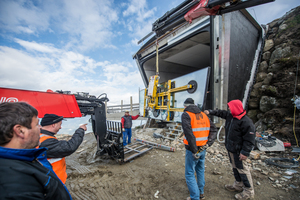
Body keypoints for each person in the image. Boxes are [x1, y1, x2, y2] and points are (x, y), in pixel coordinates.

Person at [0, 102, 72, 199]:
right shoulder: (17, 186)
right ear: (20, 131)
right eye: (37, 124)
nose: (40, 128)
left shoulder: (22, 161)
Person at [204, 99, 255, 200]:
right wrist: (210, 111)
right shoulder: (231, 116)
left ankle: (249, 192)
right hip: (231, 149)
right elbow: (221, 113)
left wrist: (245, 152)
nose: (229, 109)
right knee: (235, 168)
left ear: (236, 108)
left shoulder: (246, 122)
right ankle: (238, 185)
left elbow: (249, 140)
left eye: (230, 107)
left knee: (243, 170)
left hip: (239, 151)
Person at [182, 98, 217, 200]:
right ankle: (201, 193)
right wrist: (208, 144)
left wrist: (194, 151)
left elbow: (189, 134)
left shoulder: (186, 115)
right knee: (200, 170)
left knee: (189, 173)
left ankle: (195, 197)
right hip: (203, 148)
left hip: (193, 150)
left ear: (185, 106)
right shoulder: (204, 115)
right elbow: (214, 129)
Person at [39, 113, 87, 184]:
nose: (60, 127)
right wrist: (81, 130)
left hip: (48, 179)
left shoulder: (41, 137)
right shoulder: (46, 141)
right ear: (53, 125)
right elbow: (69, 147)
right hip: (50, 182)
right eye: (60, 124)